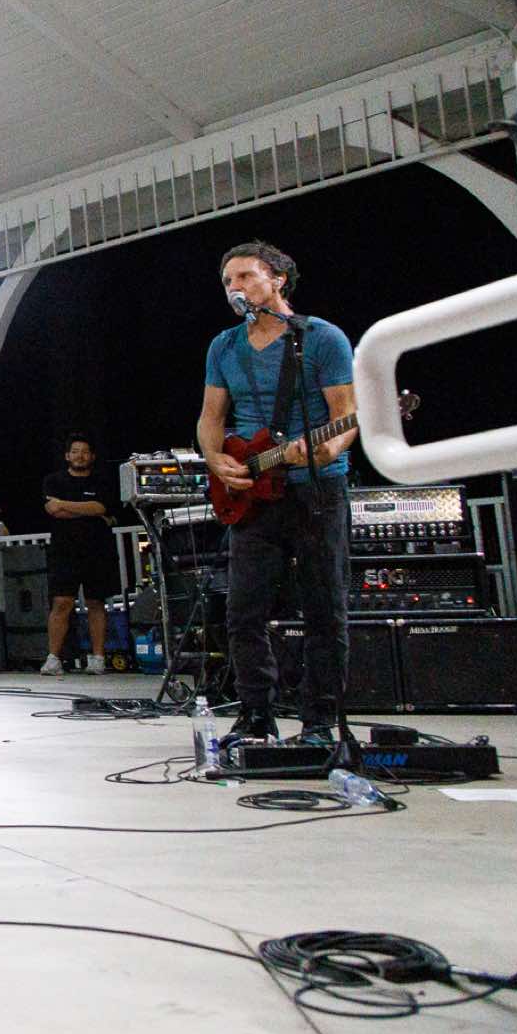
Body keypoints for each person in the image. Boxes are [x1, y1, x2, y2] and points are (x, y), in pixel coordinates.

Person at [196, 241, 356, 744]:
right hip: (252, 492)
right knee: (243, 612)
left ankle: (320, 722)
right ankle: (256, 715)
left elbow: (346, 417)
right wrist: (215, 459)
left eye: (245, 276)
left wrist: (326, 450)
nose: (235, 287)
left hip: (316, 490)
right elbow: (211, 418)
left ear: (278, 279)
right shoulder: (223, 347)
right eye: (228, 281)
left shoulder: (321, 338)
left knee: (324, 609)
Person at [40, 432, 118, 676]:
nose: (80, 456)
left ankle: (98, 658)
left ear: (92, 456)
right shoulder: (53, 481)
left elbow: (101, 506)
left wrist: (65, 504)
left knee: (96, 602)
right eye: (75, 451)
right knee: (61, 602)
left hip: (97, 550)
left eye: (85, 452)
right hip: (64, 550)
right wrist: (89, 511)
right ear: (67, 455)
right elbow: (53, 511)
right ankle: (53, 658)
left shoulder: (102, 480)